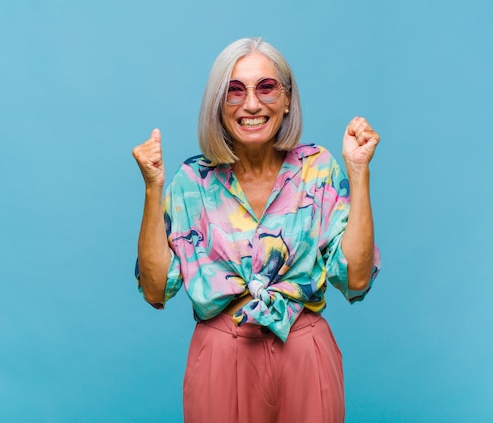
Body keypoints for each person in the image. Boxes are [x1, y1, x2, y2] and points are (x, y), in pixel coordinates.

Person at [132, 37, 381, 423]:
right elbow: (154, 288)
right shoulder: (191, 182)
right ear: (218, 105)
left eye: (266, 87)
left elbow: (357, 278)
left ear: (286, 99)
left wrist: (358, 172)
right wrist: (153, 188)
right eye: (234, 91)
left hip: (304, 351)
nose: (251, 104)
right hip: (220, 353)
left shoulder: (318, 169)